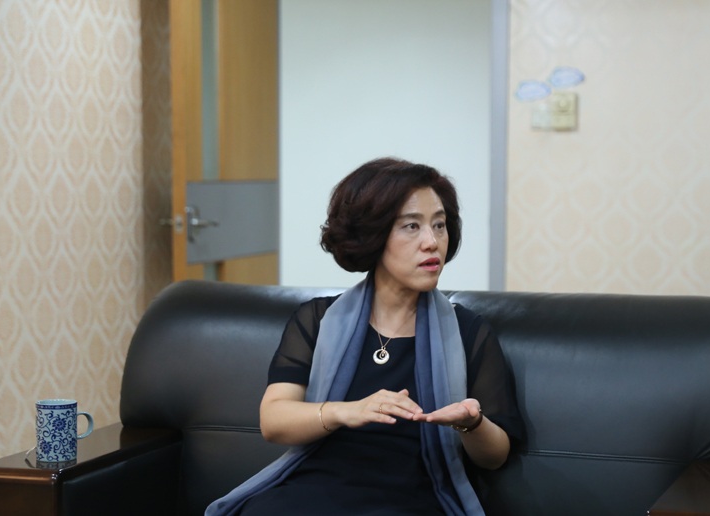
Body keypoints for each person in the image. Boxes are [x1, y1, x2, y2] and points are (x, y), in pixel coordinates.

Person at [207, 157, 522, 515]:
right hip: (313, 488)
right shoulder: (318, 319)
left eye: (439, 225)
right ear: (373, 236)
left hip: (414, 497)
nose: (432, 242)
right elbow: (274, 421)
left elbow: (496, 456)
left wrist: (471, 423)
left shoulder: (468, 332)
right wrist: (346, 411)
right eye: (411, 226)